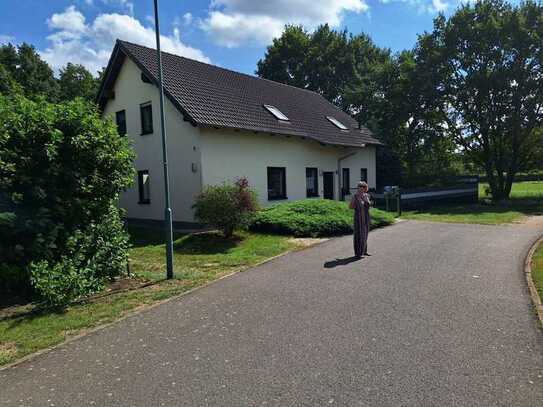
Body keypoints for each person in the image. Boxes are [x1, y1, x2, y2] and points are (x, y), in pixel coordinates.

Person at [349, 181, 371, 258]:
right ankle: (358, 253)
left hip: (366, 217)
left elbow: (368, 205)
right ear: (358, 188)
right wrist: (355, 205)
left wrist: (365, 199)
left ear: (365, 188)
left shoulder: (366, 196)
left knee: (365, 234)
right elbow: (350, 207)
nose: (361, 189)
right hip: (358, 218)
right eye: (360, 187)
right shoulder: (355, 196)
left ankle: (364, 251)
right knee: (358, 235)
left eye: (363, 187)